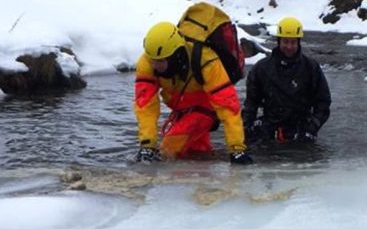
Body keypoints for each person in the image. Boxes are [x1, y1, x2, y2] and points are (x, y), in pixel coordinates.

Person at [134, 21, 253, 164]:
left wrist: (237, 149)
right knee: (196, 153)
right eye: (152, 61)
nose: (155, 66)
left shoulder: (206, 61)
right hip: (182, 110)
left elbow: (228, 106)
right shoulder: (147, 62)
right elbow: (146, 105)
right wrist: (147, 145)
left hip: (206, 108)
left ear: (175, 54)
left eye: (161, 62)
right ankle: (203, 174)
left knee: (168, 149)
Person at [242, 17, 331, 144]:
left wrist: (313, 126)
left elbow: (323, 101)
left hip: (301, 127)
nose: (289, 46)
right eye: (285, 42)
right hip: (270, 126)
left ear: (298, 42)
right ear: (279, 41)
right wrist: (246, 128)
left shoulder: (311, 67)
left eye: (293, 42)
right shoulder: (262, 68)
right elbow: (251, 103)